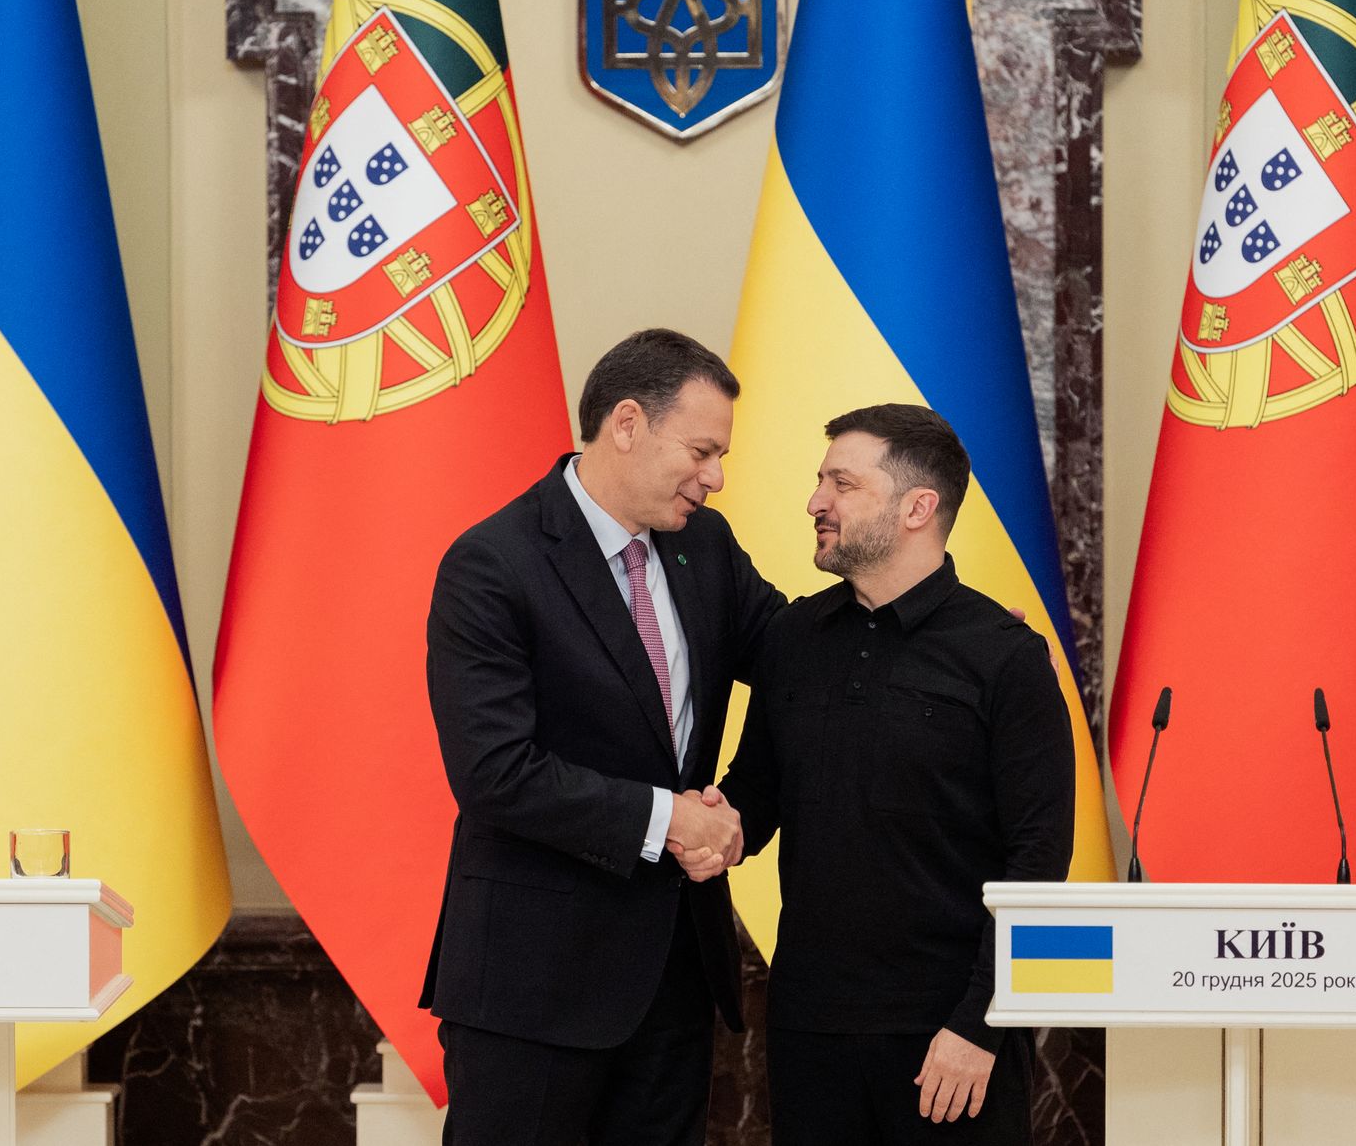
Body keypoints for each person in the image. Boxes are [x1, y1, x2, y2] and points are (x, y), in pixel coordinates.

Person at [421, 328, 783, 1146]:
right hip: (532, 990)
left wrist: (952, 637)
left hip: (675, 980)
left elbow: (797, 655)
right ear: (627, 423)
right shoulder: (493, 563)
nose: (716, 477)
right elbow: (495, 772)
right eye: (701, 450)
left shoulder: (707, 548)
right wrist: (670, 820)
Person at [715, 404, 1075, 1146]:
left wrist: (979, 1025)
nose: (816, 500)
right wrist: (699, 825)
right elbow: (756, 793)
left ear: (919, 507)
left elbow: (1039, 860)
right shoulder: (793, 637)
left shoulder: (1006, 655)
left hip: (949, 1041)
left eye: (841, 483)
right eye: (820, 481)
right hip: (808, 1030)